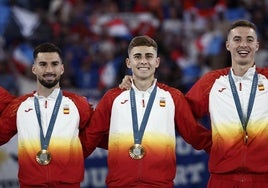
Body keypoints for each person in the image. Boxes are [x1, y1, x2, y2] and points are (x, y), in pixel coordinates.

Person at [82, 35, 211, 187]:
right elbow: (90, 138)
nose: (143, 61)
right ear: (129, 62)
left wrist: (229, 148)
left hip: (160, 184)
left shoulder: (172, 97)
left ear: (157, 62)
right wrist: (58, 157)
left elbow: (195, 134)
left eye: (149, 56)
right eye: (138, 56)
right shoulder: (112, 98)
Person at [185, 19, 268, 188]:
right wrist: (208, 142)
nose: (243, 44)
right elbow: (182, 112)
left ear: (257, 46)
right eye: (237, 39)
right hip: (222, 180)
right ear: (228, 45)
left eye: (249, 40)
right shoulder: (212, 81)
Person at [0, 42, 94, 187]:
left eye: (54, 64)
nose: (49, 69)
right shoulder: (19, 106)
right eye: (43, 64)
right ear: (34, 69)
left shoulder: (79, 105)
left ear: (62, 68)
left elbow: (100, 134)